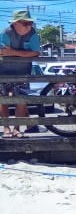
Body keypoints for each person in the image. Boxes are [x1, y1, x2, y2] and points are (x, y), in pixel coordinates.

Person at [0, 10, 41, 138]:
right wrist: (24, 54)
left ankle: (17, 128)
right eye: (25, 23)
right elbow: (2, 52)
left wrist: (13, 52)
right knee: (3, 99)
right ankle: (6, 128)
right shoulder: (5, 33)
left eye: (30, 23)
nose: (29, 26)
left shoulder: (34, 35)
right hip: (3, 71)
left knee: (21, 100)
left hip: (23, 71)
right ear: (16, 23)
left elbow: (36, 53)